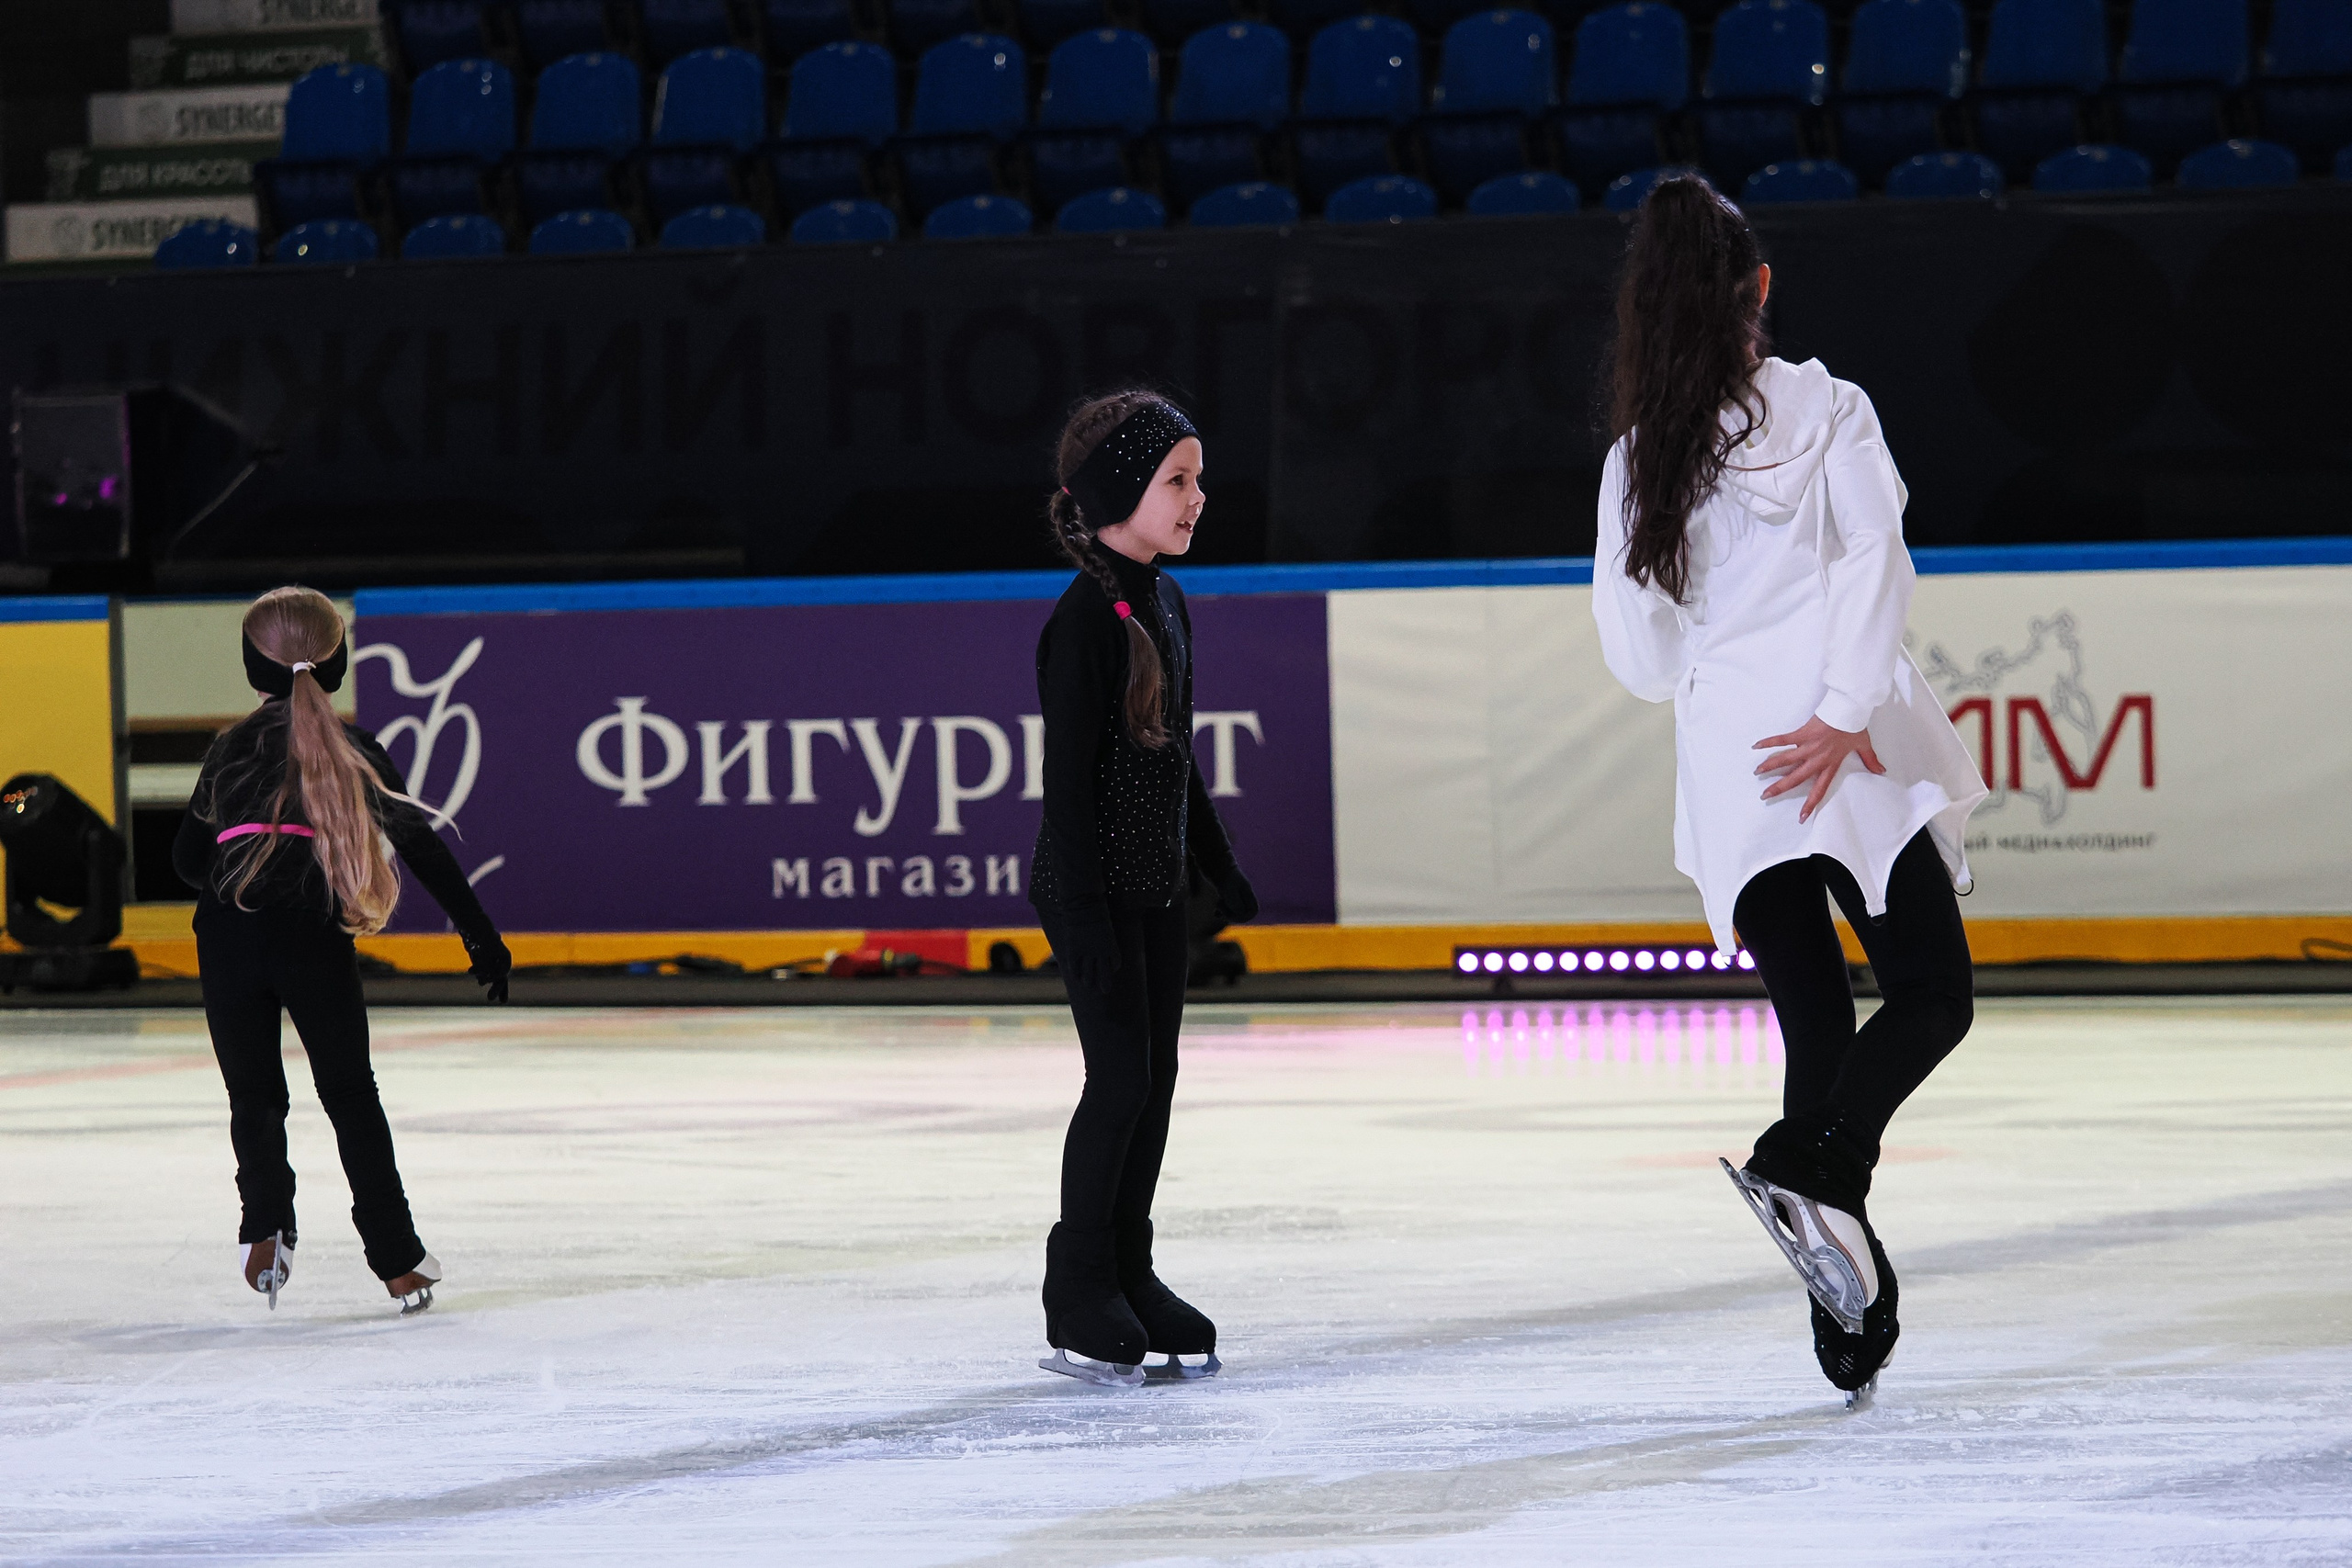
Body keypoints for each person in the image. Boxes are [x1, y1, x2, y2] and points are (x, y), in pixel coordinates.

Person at [1589, 177, 1987, 1405]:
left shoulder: (1636, 459)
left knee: (1817, 1019)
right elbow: (1880, 552)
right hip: (1844, 748)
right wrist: (1840, 707)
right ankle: (1810, 1163)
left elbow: (1642, 655)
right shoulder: (1829, 406)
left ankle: (1838, 1285)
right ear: (1759, 288)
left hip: (1738, 765)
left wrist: (1749, 692)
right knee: (1930, 991)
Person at [174, 586, 512, 1316]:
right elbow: (421, 847)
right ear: (336, 665)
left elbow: (185, 859)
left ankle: (264, 1229)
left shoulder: (228, 749)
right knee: (351, 1096)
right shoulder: (357, 750)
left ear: (251, 667)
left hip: (227, 934)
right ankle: (398, 1261)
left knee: (254, 1095)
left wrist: (242, 861)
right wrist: (480, 935)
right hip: (310, 932)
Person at [1029, 389, 1258, 1387]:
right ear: (1123, 488)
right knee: (1117, 1081)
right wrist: (1082, 921)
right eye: (1177, 479)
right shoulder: (1080, 623)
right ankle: (1077, 1283)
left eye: (1197, 478)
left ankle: (1131, 1267)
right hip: (1090, 892)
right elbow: (1068, 788)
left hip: (1156, 886)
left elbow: (1175, 758)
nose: (1197, 496)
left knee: (1155, 1084)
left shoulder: (1165, 600)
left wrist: (1216, 862)